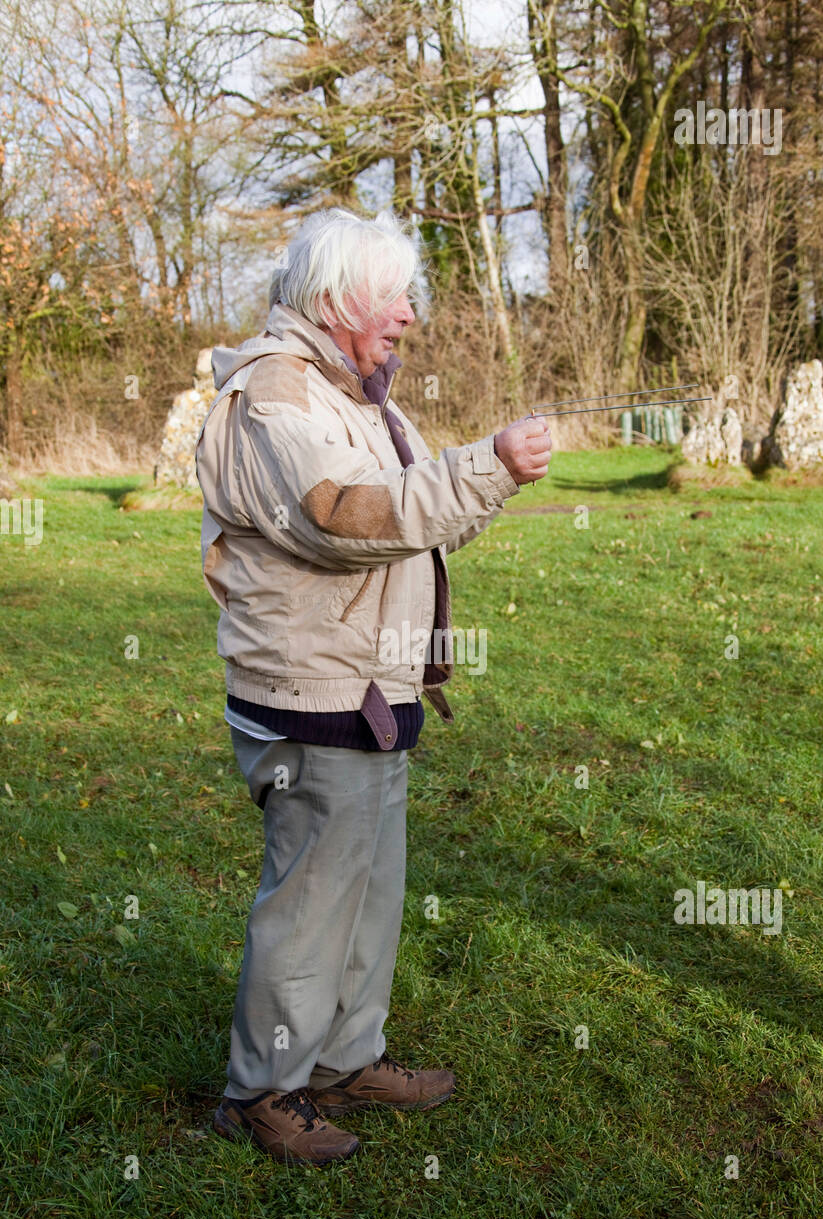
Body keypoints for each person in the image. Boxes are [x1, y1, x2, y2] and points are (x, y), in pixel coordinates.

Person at [195, 207, 551, 1166]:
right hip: (312, 695)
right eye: (394, 295)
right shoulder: (277, 395)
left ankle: (345, 1060)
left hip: (372, 683)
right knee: (311, 903)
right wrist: (484, 463)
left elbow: (414, 522)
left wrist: (492, 475)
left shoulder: (355, 396)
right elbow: (344, 519)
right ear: (337, 296)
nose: (406, 314)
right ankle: (262, 1093)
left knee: (368, 893)